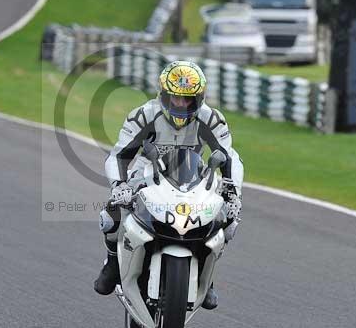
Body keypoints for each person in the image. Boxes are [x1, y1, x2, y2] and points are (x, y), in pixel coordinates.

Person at [94, 60, 244, 310]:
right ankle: (112, 264)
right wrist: (119, 185)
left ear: (199, 98)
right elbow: (119, 156)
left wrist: (233, 192)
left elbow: (230, 156)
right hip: (147, 174)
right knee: (111, 214)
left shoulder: (211, 118)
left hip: (194, 176)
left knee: (227, 221)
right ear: (163, 94)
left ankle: (207, 277)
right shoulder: (144, 115)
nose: (181, 105)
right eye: (175, 98)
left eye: (188, 99)